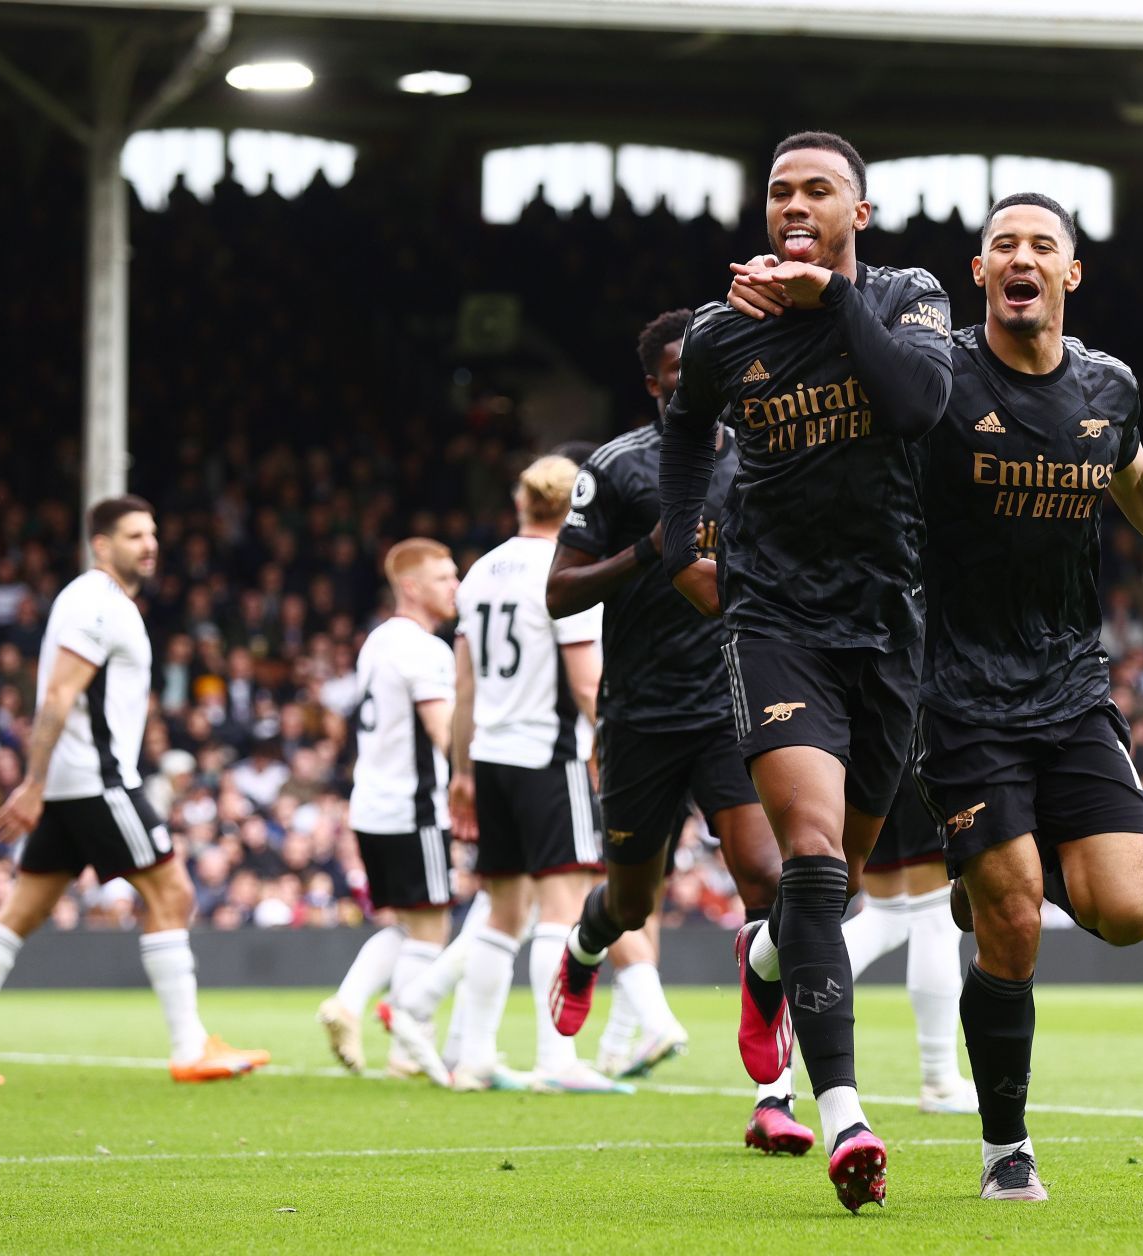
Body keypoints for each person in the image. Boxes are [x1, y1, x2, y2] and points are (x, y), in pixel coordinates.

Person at [909, 193, 1143, 1200]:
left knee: (1131, 908)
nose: (1023, 257)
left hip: (1068, 688)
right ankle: (1005, 1147)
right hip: (960, 690)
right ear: (980, 273)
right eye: (1005, 244)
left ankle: (986, 863)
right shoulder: (940, 382)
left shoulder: (1108, 386)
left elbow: (1137, 477)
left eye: (1042, 245)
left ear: (1071, 273)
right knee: (1013, 917)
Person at [648, 129, 954, 1210]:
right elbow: (686, 430)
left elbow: (917, 405)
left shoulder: (912, 296)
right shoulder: (726, 332)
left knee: (845, 875)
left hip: (889, 622)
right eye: (779, 190)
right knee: (813, 859)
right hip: (774, 617)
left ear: (856, 214)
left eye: (818, 190)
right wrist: (682, 536)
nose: (794, 203)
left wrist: (831, 298)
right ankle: (843, 1115)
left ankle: (766, 959)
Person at [547, 311, 811, 1152]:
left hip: (735, 700)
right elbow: (559, 592)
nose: (689, 379)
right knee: (632, 899)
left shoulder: (767, 456)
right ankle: (588, 947)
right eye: (673, 369)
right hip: (641, 715)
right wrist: (645, 553)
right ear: (655, 383)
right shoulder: (618, 468)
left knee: (772, 882)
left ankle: (776, 1097)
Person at [0, 496, 267, 1085]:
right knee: (173, 891)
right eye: (135, 535)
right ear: (102, 544)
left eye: (152, 533)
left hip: (71, 783)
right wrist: (32, 784)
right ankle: (189, 1048)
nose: (149, 544)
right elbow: (59, 696)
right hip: (98, 781)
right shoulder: (96, 604)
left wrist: (44, 785)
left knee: (21, 910)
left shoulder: (97, 602)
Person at [381, 457, 630, 1094]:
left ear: (521, 501)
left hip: (488, 758)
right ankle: (557, 1060)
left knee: (502, 911)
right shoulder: (566, 571)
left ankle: (478, 1057)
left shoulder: (481, 572)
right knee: (561, 906)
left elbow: (462, 684)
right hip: (548, 756)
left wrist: (461, 769)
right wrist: (609, 739)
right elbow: (583, 679)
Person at [317, 538, 459, 1080]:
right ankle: (408, 1045)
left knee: (405, 924)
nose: (456, 587)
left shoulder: (376, 642)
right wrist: (473, 785)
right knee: (430, 929)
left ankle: (348, 1003)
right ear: (411, 587)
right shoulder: (426, 649)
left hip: (371, 806)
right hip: (414, 807)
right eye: (444, 578)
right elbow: (440, 730)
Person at [841, 767, 977, 1114]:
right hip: (919, 744)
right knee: (935, 915)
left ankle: (789, 994)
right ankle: (940, 1080)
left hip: (870, 750)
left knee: (886, 913)